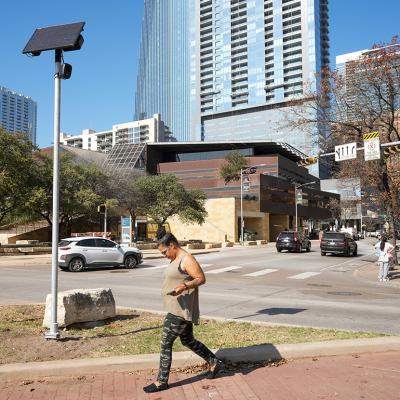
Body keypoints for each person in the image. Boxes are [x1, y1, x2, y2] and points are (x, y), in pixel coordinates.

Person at [143, 232, 222, 393]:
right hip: (176, 308)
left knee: (166, 342)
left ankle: (161, 381)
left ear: (172, 245)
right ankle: (214, 362)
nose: (164, 255)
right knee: (188, 340)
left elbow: (201, 278)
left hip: (180, 311)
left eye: (164, 252)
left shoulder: (187, 259)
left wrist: (184, 287)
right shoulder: (175, 259)